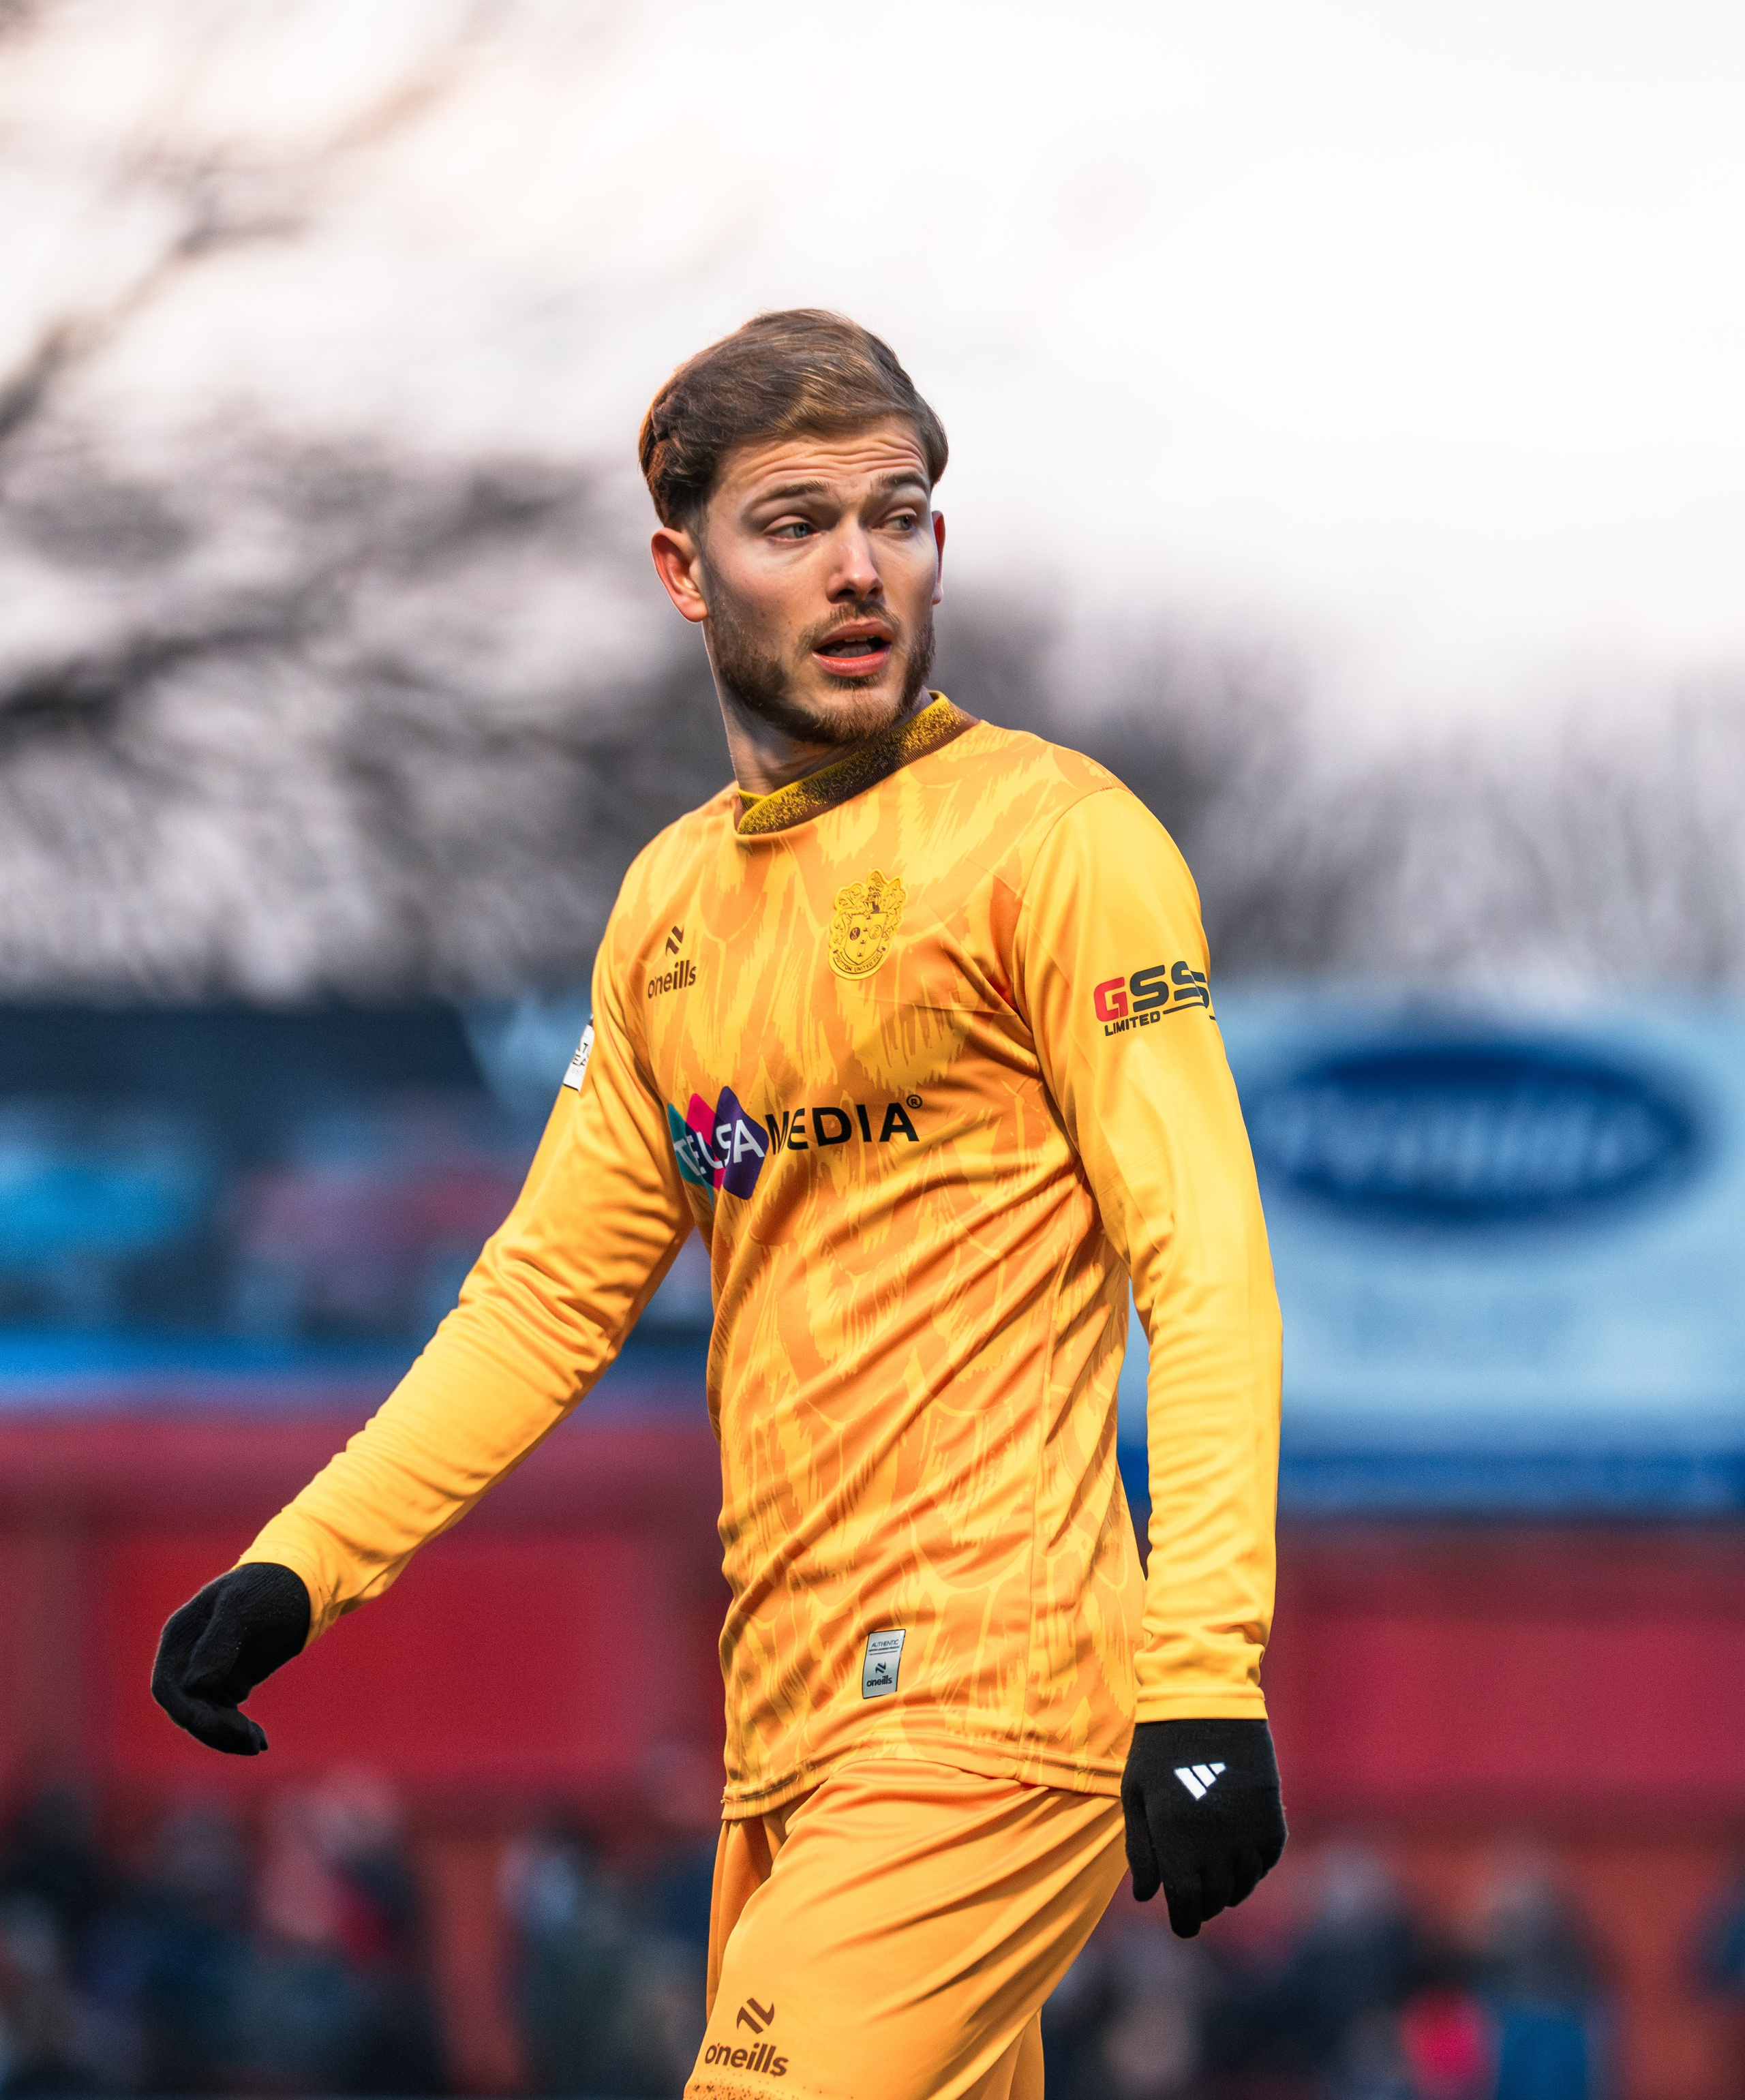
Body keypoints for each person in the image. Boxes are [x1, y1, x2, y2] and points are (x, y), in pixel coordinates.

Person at [151, 309, 1286, 2100]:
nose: (860, 566)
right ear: (684, 566)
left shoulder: (1057, 841)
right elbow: (546, 1294)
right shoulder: (671, 908)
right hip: (790, 1736)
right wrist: (304, 1564)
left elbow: (1202, 1257)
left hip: (995, 1700)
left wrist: (1208, 1670)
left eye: (897, 514)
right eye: (797, 521)